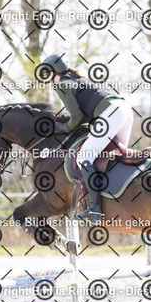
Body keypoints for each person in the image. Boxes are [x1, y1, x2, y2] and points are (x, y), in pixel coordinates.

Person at [42, 54, 133, 224]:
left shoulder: (62, 84)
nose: (48, 82)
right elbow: (82, 115)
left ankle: (95, 210)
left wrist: (61, 128)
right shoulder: (77, 78)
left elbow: (76, 117)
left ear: (54, 72)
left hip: (111, 113)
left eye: (48, 76)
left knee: (84, 157)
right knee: (114, 157)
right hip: (124, 110)